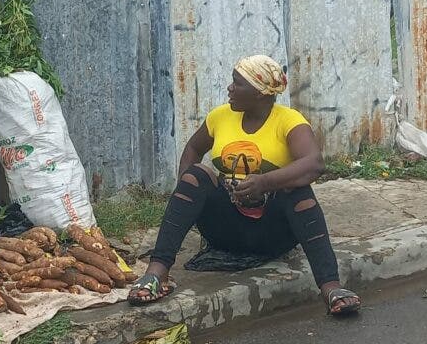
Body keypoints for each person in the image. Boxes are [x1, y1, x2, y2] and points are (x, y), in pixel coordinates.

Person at [128, 55, 361, 315]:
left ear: (260, 93)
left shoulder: (288, 121)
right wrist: (187, 197)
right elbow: (193, 148)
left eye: (237, 83)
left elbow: (314, 163)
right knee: (195, 175)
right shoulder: (220, 117)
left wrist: (264, 182)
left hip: (272, 233)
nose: (229, 88)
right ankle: (157, 272)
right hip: (225, 229)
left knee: (298, 190)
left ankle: (331, 286)